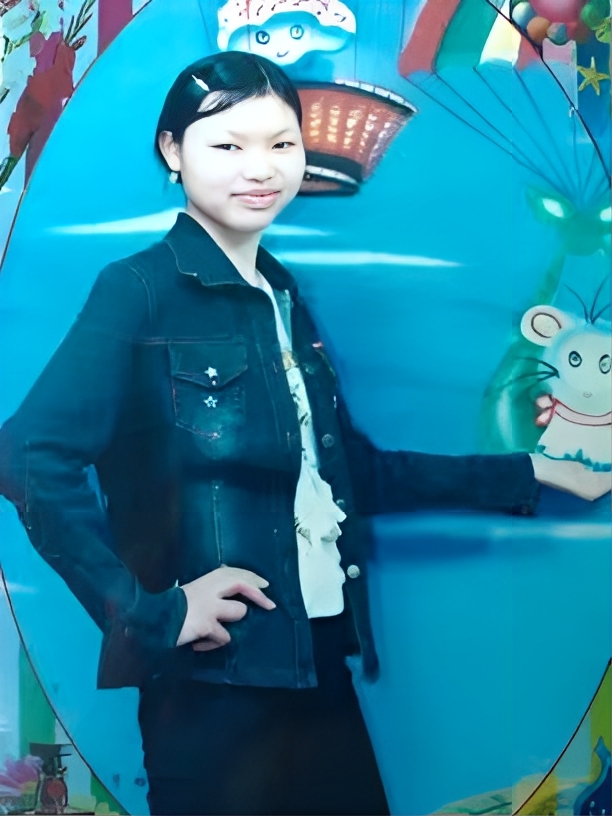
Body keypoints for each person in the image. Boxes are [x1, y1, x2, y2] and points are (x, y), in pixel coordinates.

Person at [0, 51, 608, 816]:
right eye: (229, 145)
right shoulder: (139, 288)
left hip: (318, 662)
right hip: (211, 691)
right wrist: (151, 614)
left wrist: (538, 472)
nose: (260, 168)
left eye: (281, 144)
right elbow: (29, 453)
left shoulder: (280, 292)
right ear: (173, 151)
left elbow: (351, 473)